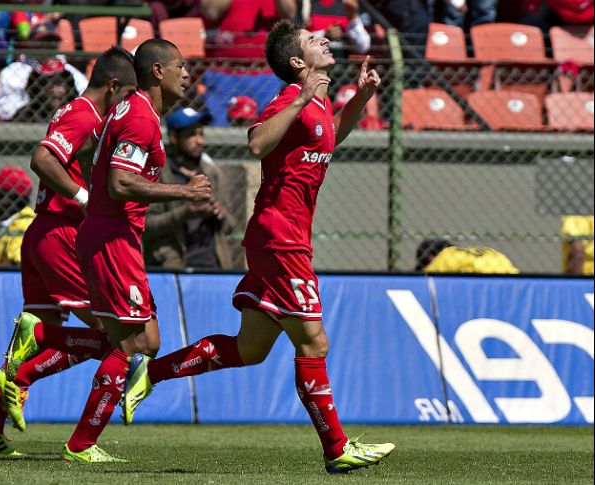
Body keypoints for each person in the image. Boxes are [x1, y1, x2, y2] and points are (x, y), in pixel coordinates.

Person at [122, 19, 395, 474]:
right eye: (313, 41)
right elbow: (256, 142)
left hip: (283, 235)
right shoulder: (293, 97)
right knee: (314, 343)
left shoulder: (319, 105)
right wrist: (304, 97)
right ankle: (336, 449)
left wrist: (362, 97)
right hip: (279, 235)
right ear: (297, 63)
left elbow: (329, 138)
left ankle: (149, 373)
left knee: (250, 350)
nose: (325, 40)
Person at [0, 38, 212, 463]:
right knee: (129, 342)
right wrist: (183, 190)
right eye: (180, 66)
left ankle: (35, 358)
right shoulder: (140, 117)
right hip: (111, 237)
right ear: (157, 72)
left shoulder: (132, 112)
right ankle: (78, 434)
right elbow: (119, 183)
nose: (187, 75)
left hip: (114, 236)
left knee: (146, 339)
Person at [0, 46, 139, 456]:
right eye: (129, 94)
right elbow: (43, 158)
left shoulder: (72, 112)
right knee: (111, 334)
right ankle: (33, 373)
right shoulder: (85, 115)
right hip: (62, 232)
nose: (131, 104)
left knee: (51, 341)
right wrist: (84, 197)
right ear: (114, 86)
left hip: (43, 231)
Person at [144, 107, 240, 269]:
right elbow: (146, 225)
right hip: (173, 266)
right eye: (191, 135)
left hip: (213, 266)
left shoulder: (211, 172)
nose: (199, 141)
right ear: (174, 137)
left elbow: (231, 226)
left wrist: (220, 212)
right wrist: (184, 214)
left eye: (201, 134)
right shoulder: (160, 174)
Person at [0, 31, 88, 121]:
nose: (49, 48)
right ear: (31, 46)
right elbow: (4, 110)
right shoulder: (14, 71)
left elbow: (84, 94)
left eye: (53, 44)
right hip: (26, 121)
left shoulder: (68, 70)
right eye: (43, 43)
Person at [414, 238, 520, 273]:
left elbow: (427, 275)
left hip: (481, 273)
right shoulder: (460, 252)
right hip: (509, 272)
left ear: (430, 256)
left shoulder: (443, 258)